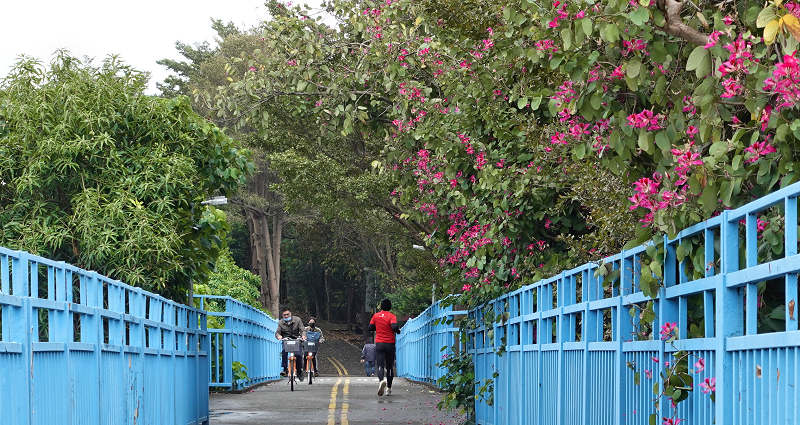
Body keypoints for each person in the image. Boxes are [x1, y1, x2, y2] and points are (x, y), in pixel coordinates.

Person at [368, 299, 400, 396]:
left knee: (380, 365)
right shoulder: (392, 316)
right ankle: (389, 389)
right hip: (390, 344)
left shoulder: (376, 316)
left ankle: (381, 381)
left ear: (381, 306)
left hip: (379, 343)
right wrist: (397, 330)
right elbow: (394, 327)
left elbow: (370, 327)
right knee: (390, 367)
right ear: (390, 307)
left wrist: (377, 327)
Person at [275, 308, 306, 379]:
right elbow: (277, 332)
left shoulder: (297, 320)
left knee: (298, 355)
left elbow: (302, 329)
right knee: (284, 352)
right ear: (282, 316)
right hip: (286, 340)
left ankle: (299, 371)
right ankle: (285, 369)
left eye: (287, 314)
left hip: (297, 340)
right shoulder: (280, 322)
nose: (286, 316)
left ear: (290, 314)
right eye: (284, 315)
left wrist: (303, 336)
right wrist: (279, 336)